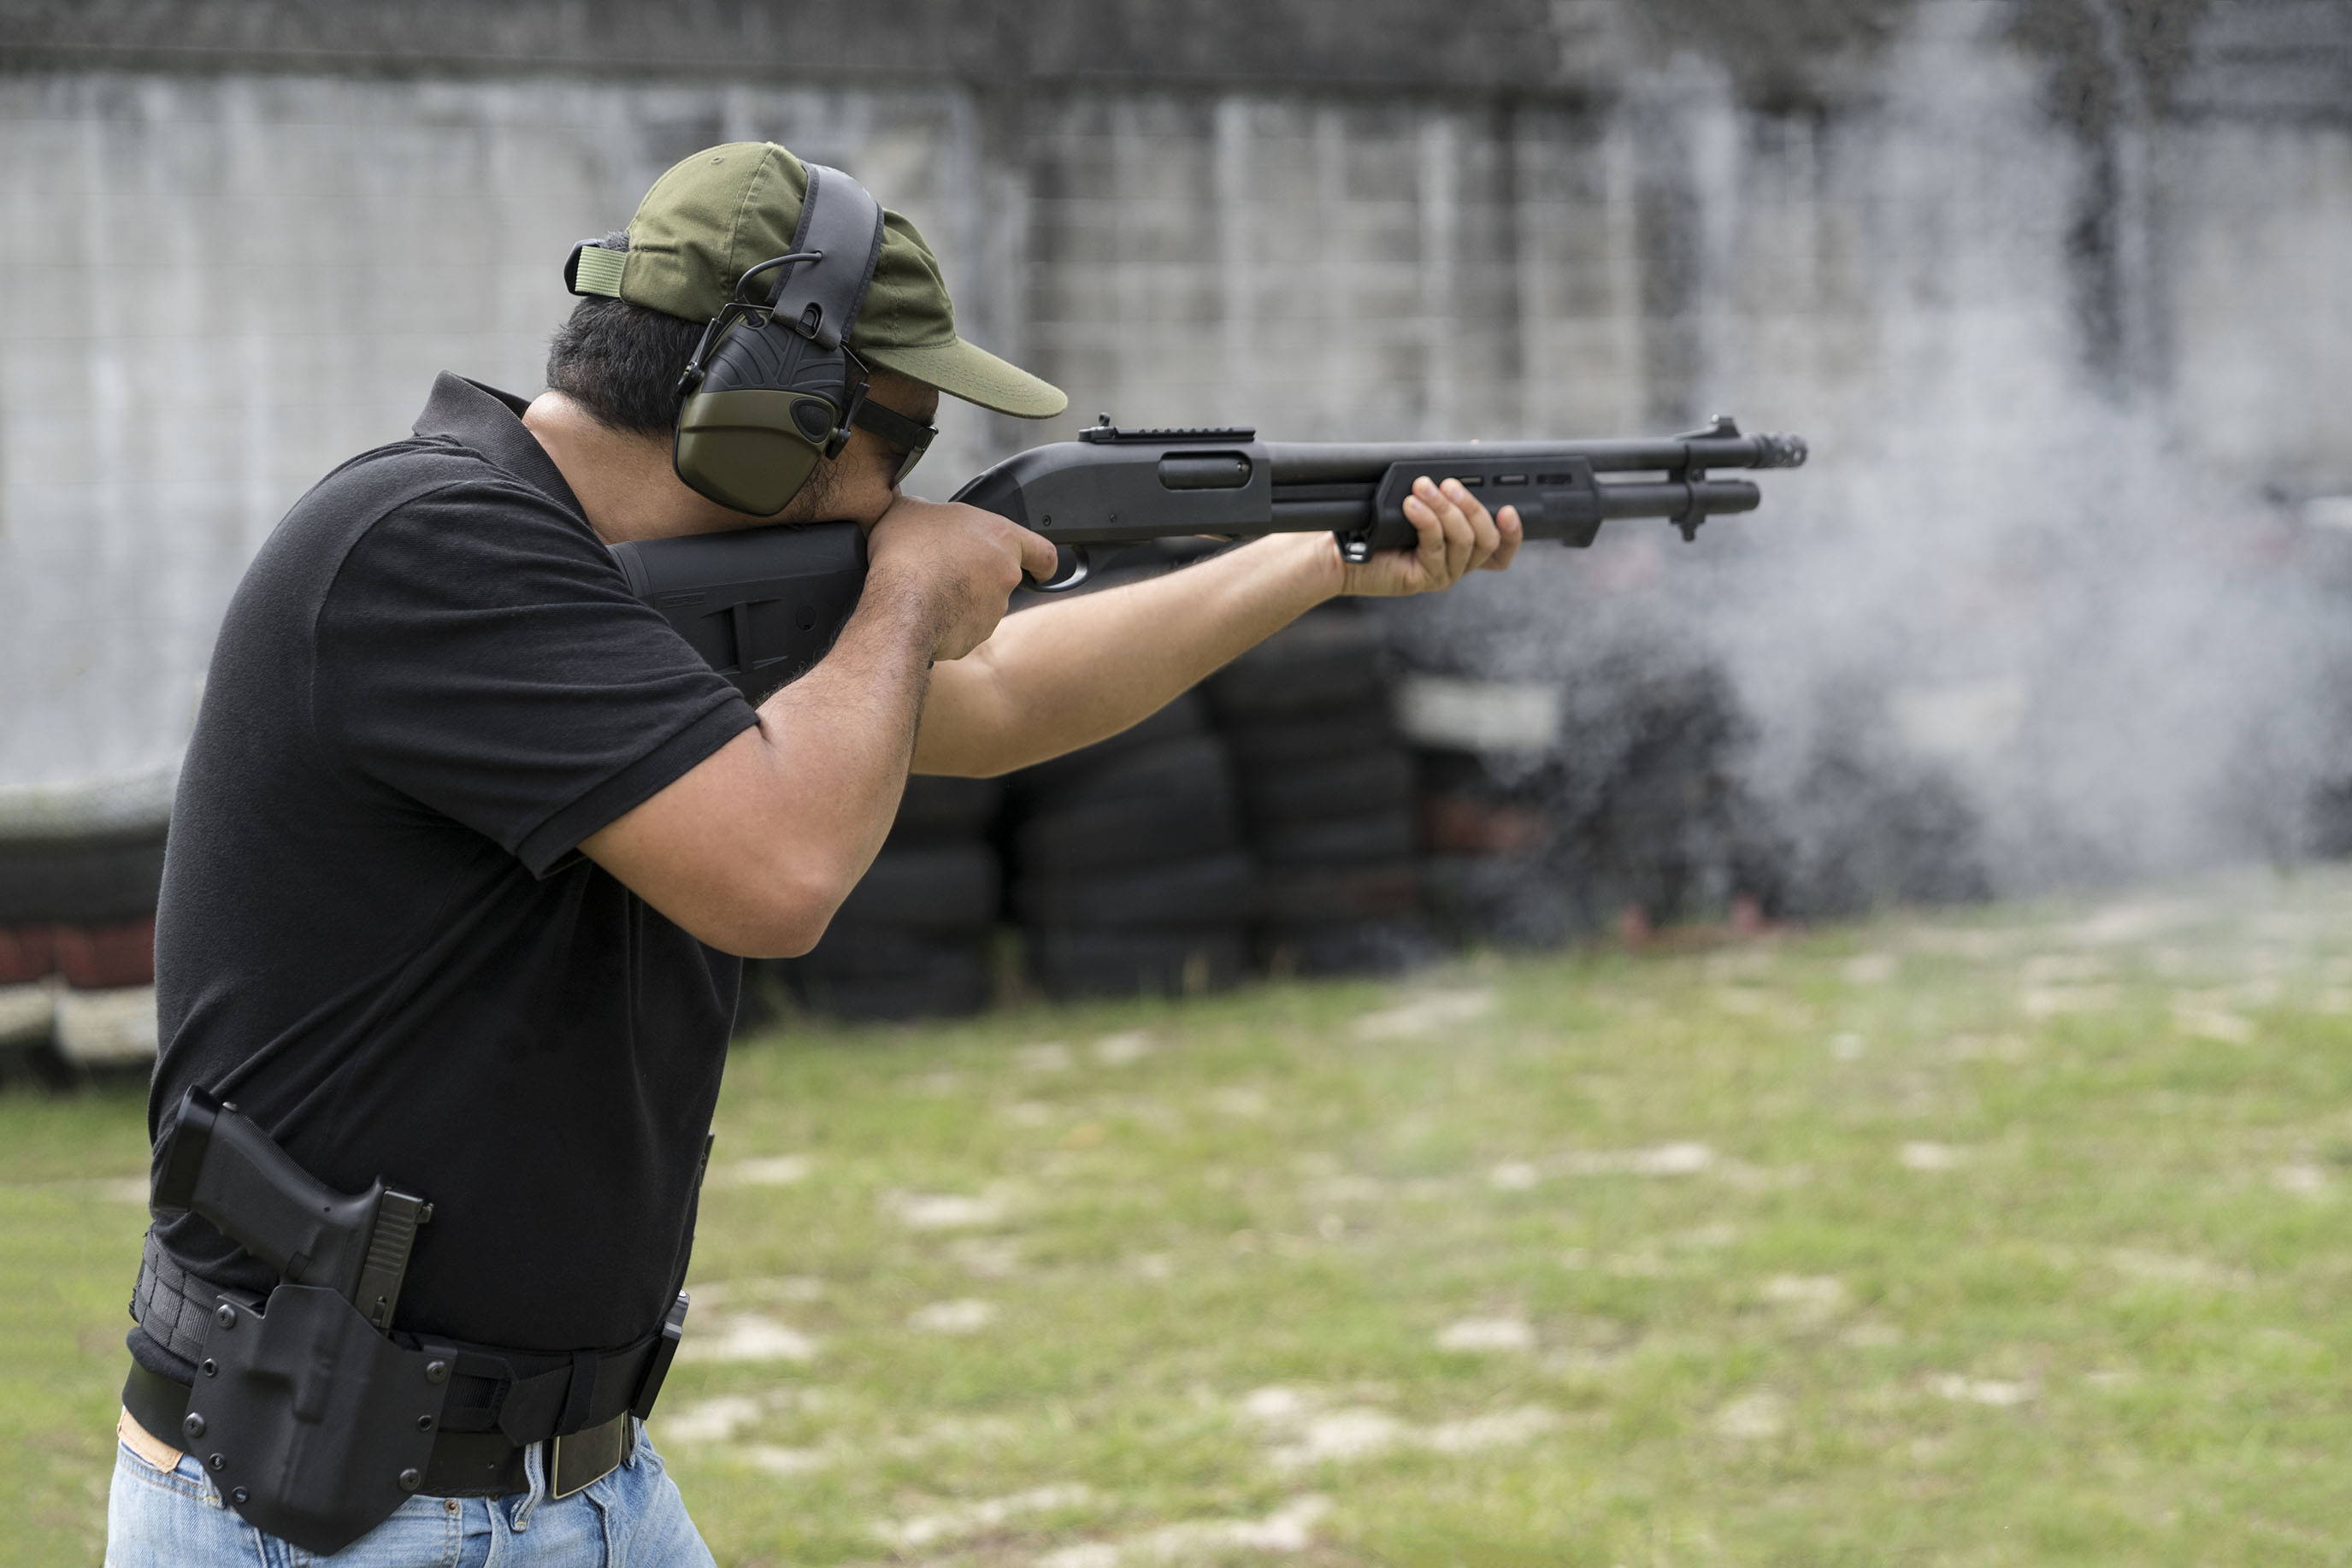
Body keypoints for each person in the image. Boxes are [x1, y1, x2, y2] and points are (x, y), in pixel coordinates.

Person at [105, 140, 1521, 1566]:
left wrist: (1320, 559)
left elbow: (1007, 697)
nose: (912, 488)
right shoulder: (430, 549)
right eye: (897, 443)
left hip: (563, 1475)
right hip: (345, 1507)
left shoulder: (586, 581)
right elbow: (782, 875)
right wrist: (904, 595)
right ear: (761, 418)